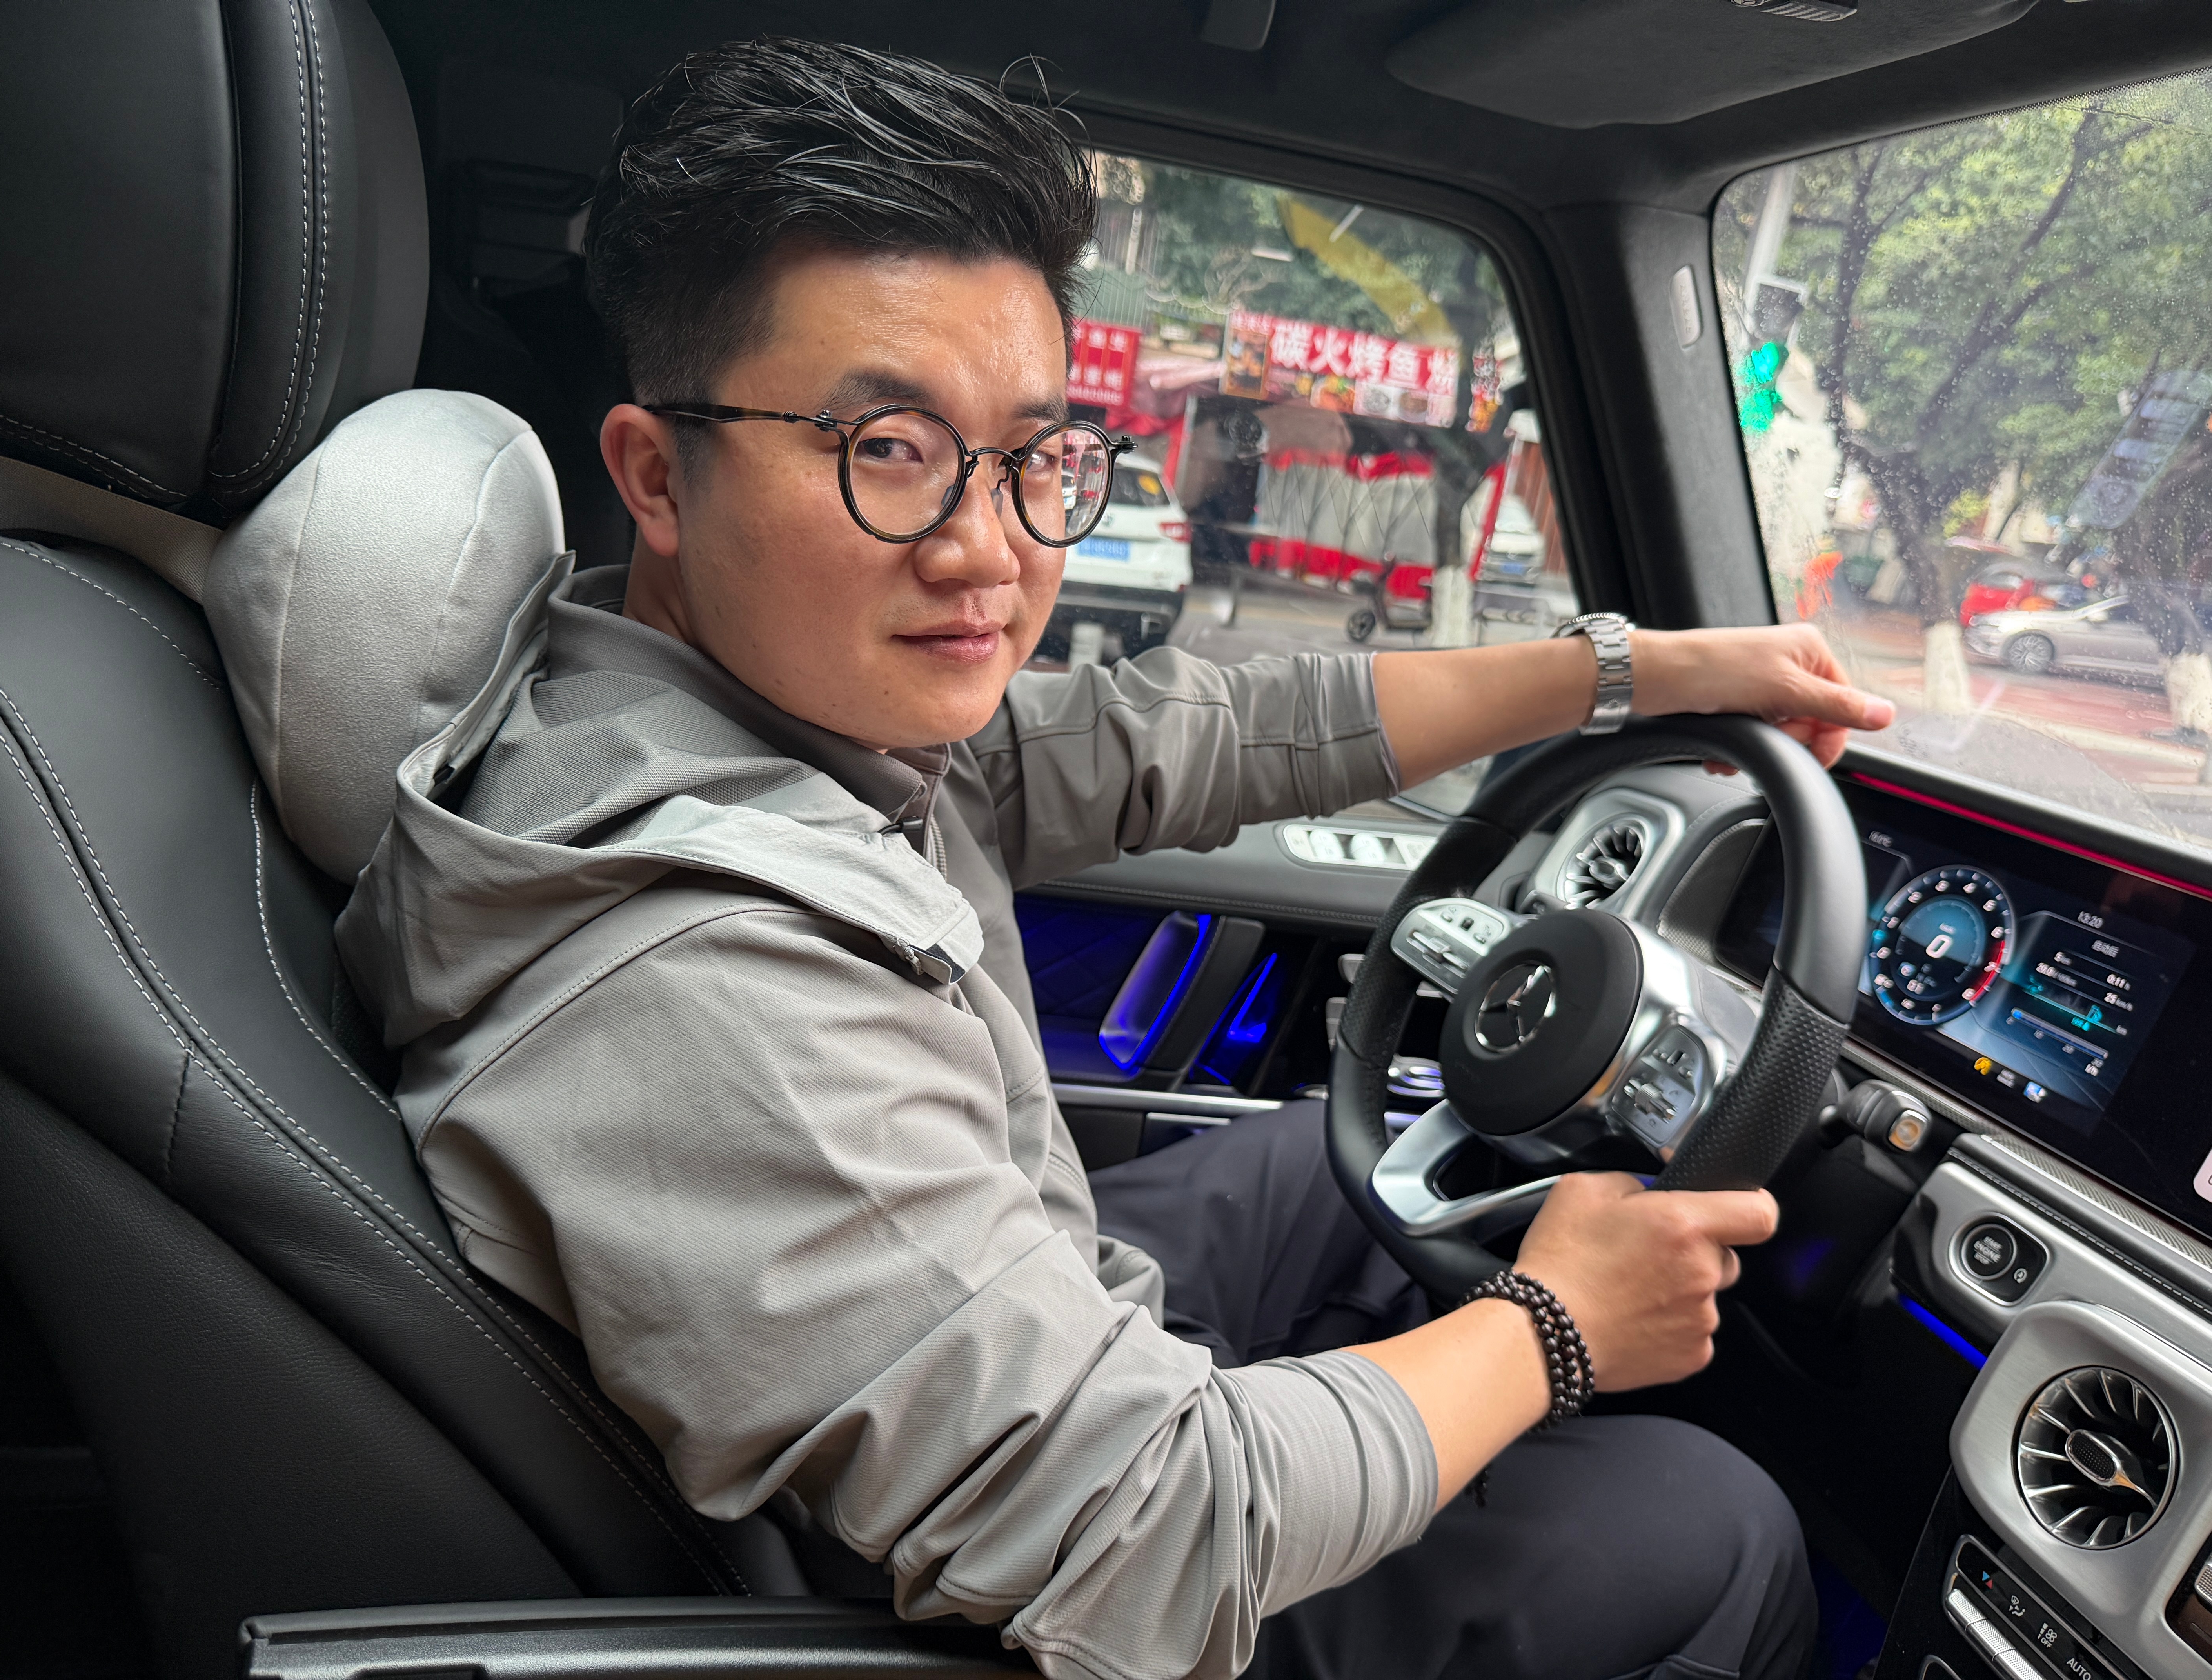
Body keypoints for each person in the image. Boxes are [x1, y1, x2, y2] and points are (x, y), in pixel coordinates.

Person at [337, 39, 1896, 1680]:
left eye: (1031, 455)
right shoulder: (705, 966)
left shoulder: (725, 709)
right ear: (658, 474)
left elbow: (1192, 732)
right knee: (1716, 1521)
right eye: (886, 448)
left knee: (1349, 1160)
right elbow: (1155, 1529)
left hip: (1007, 1324)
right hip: (1036, 1593)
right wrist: (1558, 1329)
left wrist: (1635, 673)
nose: (987, 550)